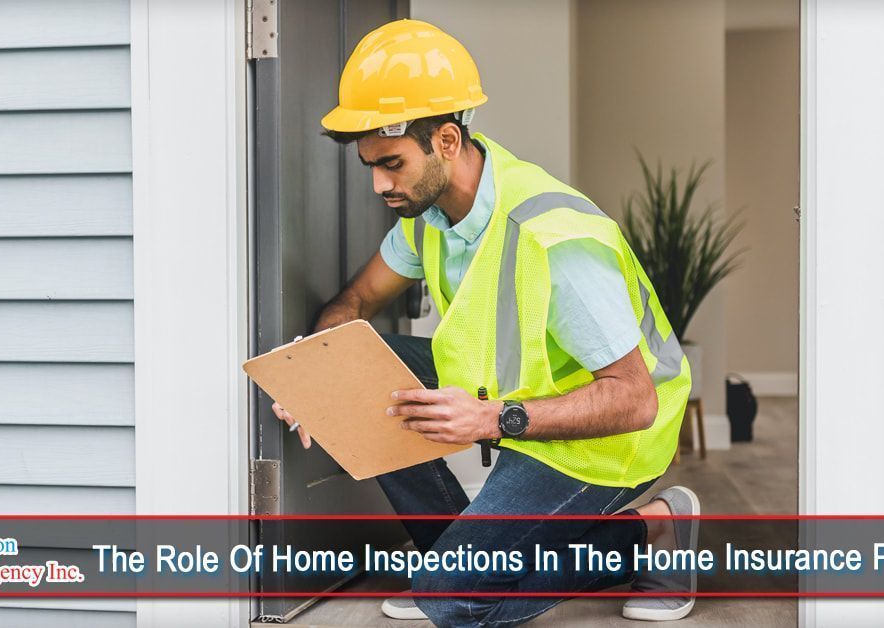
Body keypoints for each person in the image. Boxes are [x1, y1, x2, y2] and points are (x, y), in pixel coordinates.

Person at [271, 19, 699, 626]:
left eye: (391, 163)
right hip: (520, 406)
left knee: (451, 600)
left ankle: (659, 529)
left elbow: (634, 402)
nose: (378, 184)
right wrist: (315, 374)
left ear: (446, 140)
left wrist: (493, 419)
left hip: (605, 441)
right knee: (361, 369)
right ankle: (450, 556)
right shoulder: (428, 213)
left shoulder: (554, 238)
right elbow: (357, 299)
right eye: (371, 165)